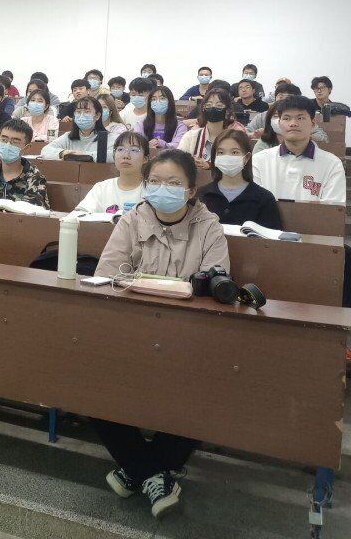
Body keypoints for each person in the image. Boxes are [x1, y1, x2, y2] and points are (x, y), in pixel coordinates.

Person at [93, 149, 228, 518]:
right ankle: (153, 472)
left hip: (188, 336)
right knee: (91, 382)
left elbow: (214, 281)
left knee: (209, 389)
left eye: (173, 183)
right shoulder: (131, 221)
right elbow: (108, 275)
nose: (162, 189)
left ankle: (136, 469)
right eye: (154, 182)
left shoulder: (209, 226)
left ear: (190, 191)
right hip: (132, 329)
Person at [252, 94, 351, 378]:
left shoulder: (330, 163)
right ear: (277, 123)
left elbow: (330, 210)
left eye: (301, 117)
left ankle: (340, 341)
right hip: (267, 237)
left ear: (313, 123)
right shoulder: (261, 159)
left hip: (313, 239)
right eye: (287, 118)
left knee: (349, 259)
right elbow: (257, 203)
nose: (293, 123)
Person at [196, 129, 281, 229]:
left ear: (246, 157)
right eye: (221, 152)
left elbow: (272, 236)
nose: (227, 157)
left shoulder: (264, 199)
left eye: (234, 152)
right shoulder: (201, 195)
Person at [0, 119, 50, 208]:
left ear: (27, 148)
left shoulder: (34, 179)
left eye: (15, 142)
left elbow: (33, 212)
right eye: (4, 139)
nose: (8, 145)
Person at [73, 130, 149, 215]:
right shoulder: (101, 188)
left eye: (134, 150)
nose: (126, 156)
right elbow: (79, 214)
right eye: (120, 149)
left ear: (145, 159)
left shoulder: (151, 190)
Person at [178, 88, 245, 169]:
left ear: (227, 110)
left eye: (219, 105)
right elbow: (178, 162)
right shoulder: (190, 136)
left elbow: (239, 165)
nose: (213, 108)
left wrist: (210, 165)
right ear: (203, 109)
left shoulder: (235, 138)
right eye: (208, 105)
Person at [40, 96, 114, 161]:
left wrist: (84, 155)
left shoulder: (109, 138)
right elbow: (45, 151)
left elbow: (114, 155)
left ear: (97, 116)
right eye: (78, 112)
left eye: (87, 112)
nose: (81, 116)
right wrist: (63, 153)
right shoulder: (68, 136)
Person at [136, 86, 187, 151]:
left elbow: (178, 146)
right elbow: (137, 146)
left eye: (162, 98)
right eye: (154, 99)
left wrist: (160, 143)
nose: (158, 102)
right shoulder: (140, 125)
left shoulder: (180, 126)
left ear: (170, 102)